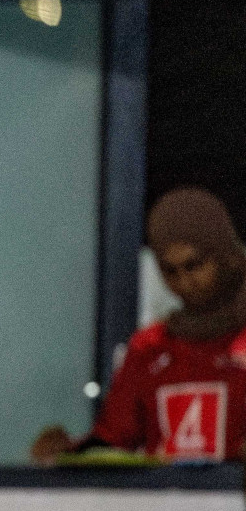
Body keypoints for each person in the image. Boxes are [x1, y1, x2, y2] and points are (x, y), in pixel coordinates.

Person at [32, 186, 246, 464]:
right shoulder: (151, 347)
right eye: (170, 271)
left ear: (224, 256)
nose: (183, 282)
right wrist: (66, 454)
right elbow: (114, 440)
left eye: (193, 266)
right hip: (165, 503)